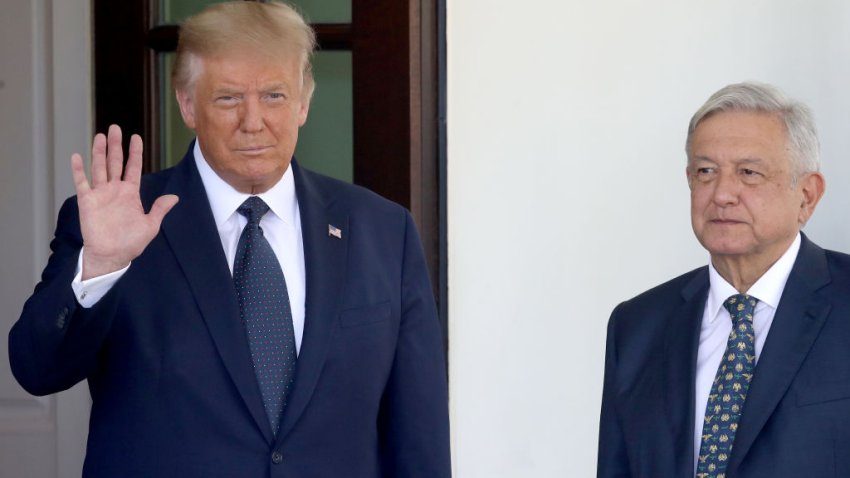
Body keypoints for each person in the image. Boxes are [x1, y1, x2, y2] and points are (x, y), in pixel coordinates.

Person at [8, 2, 451, 477]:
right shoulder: (119, 223)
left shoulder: (383, 230)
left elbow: (418, 436)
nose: (253, 120)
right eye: (227, 98)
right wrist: (101, 267)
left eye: (275, 96)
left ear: (304, 102)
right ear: (186, 104)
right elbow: (38, 371)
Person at [597, 82, 850, 478]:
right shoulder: (637, 327)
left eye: (749, 173)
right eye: (706, 172)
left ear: (806, 195)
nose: (722, 194)